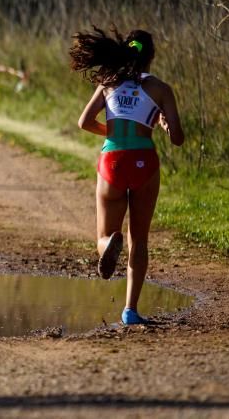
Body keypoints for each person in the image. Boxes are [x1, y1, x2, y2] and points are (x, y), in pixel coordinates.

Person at [69, 27, 185, 325]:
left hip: (113, 160)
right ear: (152, 57)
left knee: (103, 234)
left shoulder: (109, 82)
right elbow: (178, 138)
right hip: (144, 161)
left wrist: (115, 131)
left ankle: (108, 245)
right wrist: (162, 123)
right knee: (140, 240)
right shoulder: (161, 88)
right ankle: (130, 311)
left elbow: (84, 121)